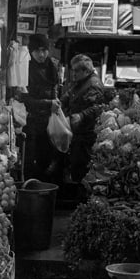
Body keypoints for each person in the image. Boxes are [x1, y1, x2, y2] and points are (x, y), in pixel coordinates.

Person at [16, 34, 62, 182]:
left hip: (48, 121)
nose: (42, 54)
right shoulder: (25, 68)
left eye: (44, 50)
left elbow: (54, 89)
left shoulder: (52, 66)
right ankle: (31, 192)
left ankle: (46, 192)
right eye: (37, 51)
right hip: (30, 122)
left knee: (47, 157)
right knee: (30, 159)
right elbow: (25, 99)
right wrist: (49, 103)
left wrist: (55, 101)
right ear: (31, 51)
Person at [56, 54, 105, 188]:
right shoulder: (81, 82)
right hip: (75, 131)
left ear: (86, 71)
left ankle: (82, 196)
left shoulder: (94, 84)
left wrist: (82, 115)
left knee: (81, 166)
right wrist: (60, 102)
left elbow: (97, 108)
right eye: (72, 69)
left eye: (76, 70)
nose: (73, 73)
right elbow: (70, 94)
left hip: (86, 134)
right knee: (74, 164)